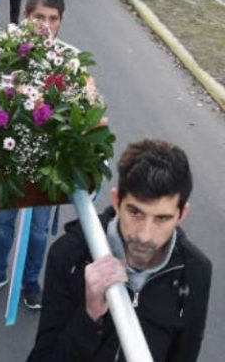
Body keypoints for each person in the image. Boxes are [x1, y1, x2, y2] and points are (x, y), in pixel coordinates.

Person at [28, 139, 212, 361]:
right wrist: (89, 316)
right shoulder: (70, 255)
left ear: (182, 215)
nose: (144, 235)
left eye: (162, 218)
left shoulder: (195, 272)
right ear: (116, 201)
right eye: (135, 213)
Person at [0, 0, 66, 310]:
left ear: (60, 22)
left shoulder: (67, 62)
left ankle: (30, 282)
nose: (45, 26)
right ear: (26, 17)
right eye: (39, 17)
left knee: (38, 230)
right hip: (9, 159)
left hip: (45, 164)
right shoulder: (7, 54)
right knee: (1, 221)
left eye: (52, 19)